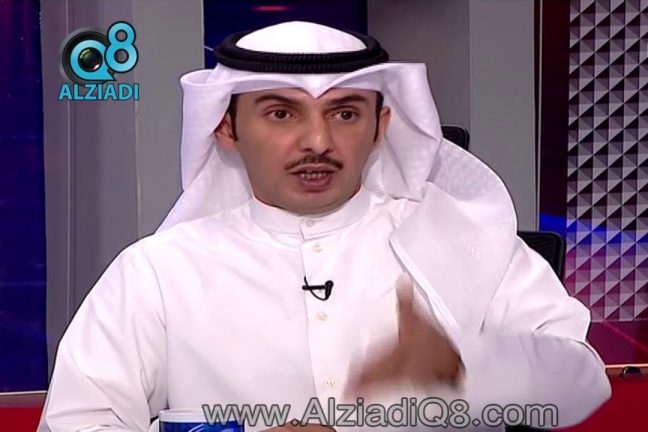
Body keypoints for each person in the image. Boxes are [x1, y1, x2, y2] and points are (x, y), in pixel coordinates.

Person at [39, 21, 610, 432]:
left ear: (381, 126)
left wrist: (463, 365)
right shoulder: (158, 272)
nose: (317, 141)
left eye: (345, 113)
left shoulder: (462, 239)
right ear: (227, 130)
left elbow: (582, 381)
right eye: (281, 113)